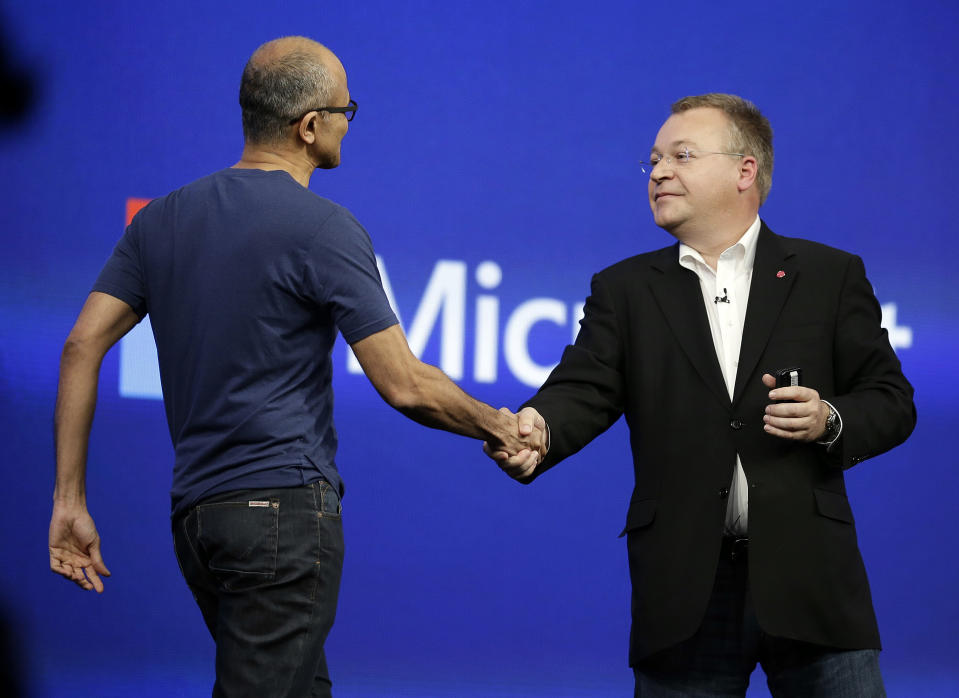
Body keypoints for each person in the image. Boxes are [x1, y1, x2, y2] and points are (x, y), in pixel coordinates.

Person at [48, 36, 545, 698]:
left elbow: (81, 345)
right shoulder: (323, 228)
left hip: (199, 521)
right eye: (347, 110)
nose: (349, 122)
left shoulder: (160, 221)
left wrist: (68, 500)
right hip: (279, 515)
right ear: (311, 127)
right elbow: (403, 384)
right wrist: (498, 426)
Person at [490, 93, 915, 696]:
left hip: (811, 578)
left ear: (746, 171)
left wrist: (830, 418)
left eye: (681, 155)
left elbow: (892, 399)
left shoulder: (828, 275)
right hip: (686, 586)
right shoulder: (627, 289)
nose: (659, 171)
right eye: (655, 160)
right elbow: (581, 389)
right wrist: (540, 429)